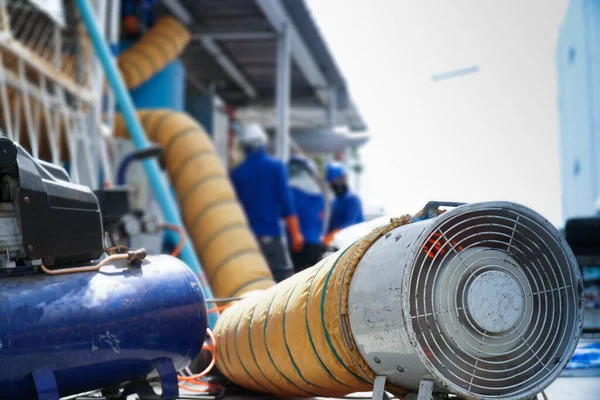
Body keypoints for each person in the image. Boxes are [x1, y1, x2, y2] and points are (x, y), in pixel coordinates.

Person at [230, 123, 304, 282]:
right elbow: (287, 203)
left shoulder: (236, 173)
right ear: (263, 143)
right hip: (271, 237)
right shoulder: (276, 167)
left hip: (246, 240)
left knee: (250, 282)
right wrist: (296, 234)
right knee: (283, 283)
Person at [287, 155, 326, 273]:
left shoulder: (290, 188)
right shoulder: (318, 192)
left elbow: (288, 214)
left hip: (296, 245)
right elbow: (320, 219)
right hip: (315, 245)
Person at [322, 162, 364, 247]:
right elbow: (331, 226)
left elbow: (349, 225)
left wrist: (329, 238)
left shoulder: (352, 199)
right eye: (334, 182)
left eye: (340, 179)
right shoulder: (334, 202)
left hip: (353, 244)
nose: (336, 184)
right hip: (337, 243)